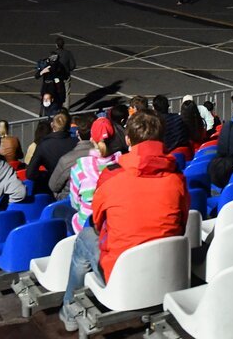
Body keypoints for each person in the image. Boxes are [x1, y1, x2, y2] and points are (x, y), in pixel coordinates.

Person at [58, 112, 188, 330]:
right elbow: (182, 223)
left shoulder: (112, 176)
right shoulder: (177, 177)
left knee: (85, 237)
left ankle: (70, 310)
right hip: (168, 268)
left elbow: (98, 223)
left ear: (128, 140)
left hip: (123, 274)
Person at [65, 117, 123, 235]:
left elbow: (75, 203)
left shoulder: (80, 168)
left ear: (91, 139)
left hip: (87, 226)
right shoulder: (123, 162)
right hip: (115, 222)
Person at [27, 113, 78, 194]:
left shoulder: (43, 145)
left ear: (52, 125)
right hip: (75, 184)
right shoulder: (76, 142)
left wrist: (46, 175)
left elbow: (30, 173)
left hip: (53, 187)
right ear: (69, 126)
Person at [50, 114, 98, 197]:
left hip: (70, 199)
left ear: (77, 134)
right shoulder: (103, 154)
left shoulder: (66, 160)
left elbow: (53, 186)